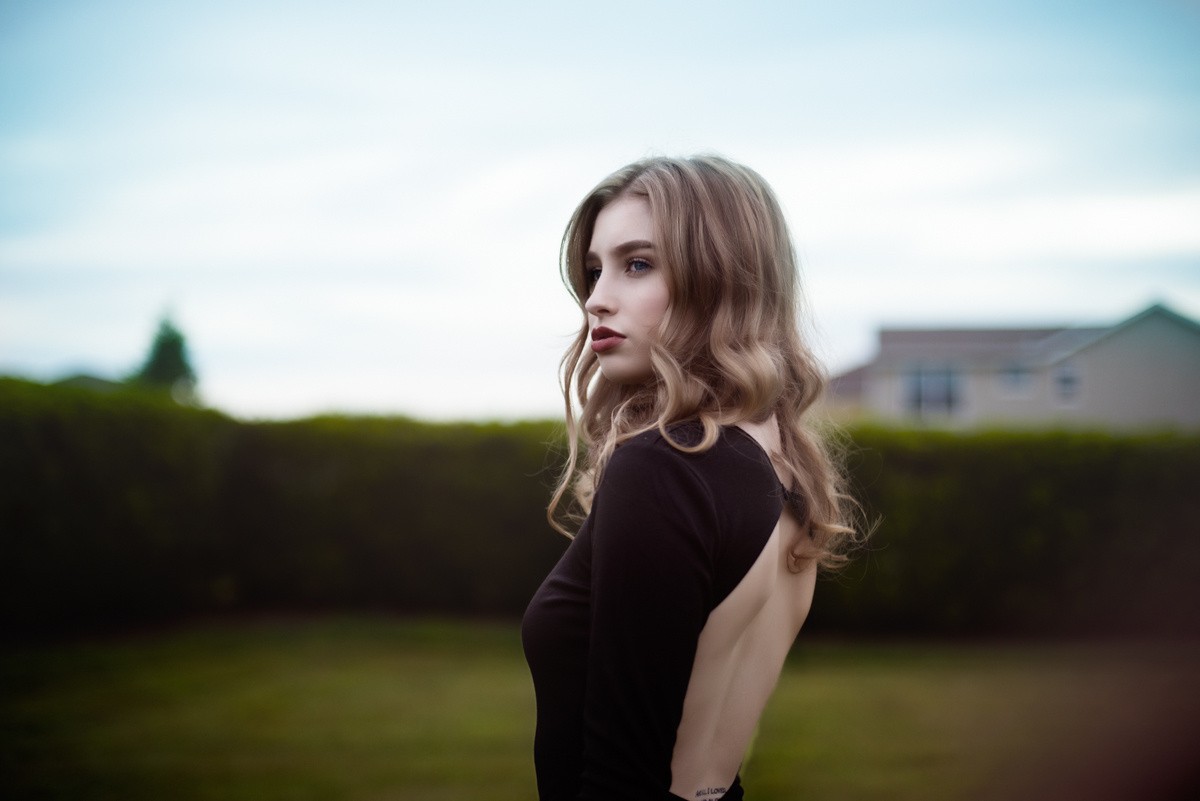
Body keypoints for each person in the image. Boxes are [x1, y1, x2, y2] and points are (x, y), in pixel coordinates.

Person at [521, 155, 860, 801]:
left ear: (721, 278)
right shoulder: (780, 460)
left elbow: (623, 775)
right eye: (595, 270)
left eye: (638, 263)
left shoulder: (665, 465)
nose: (597, 296)